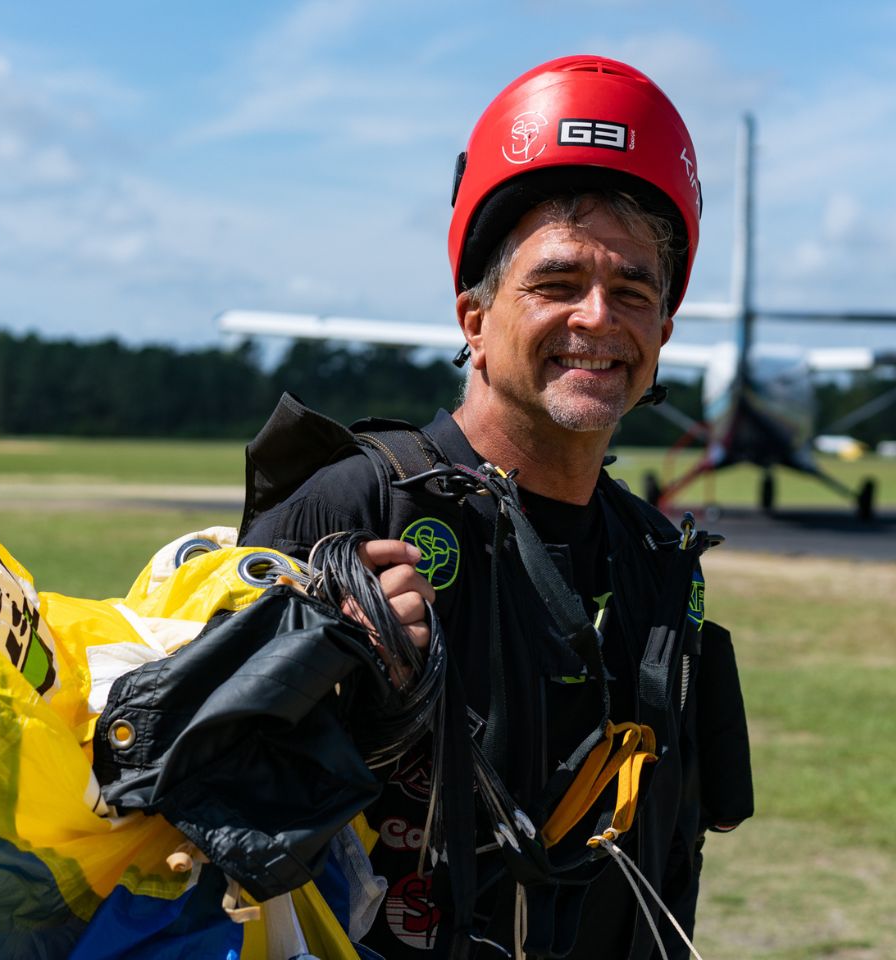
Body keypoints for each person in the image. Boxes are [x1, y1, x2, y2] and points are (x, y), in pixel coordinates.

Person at [240, 55, 753, 960]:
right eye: (556, 285)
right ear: (473, 319)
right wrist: (328, 682)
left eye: (633, 291)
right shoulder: (353, 509)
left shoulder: (658, 559)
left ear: (663, 335)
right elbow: (196, 810)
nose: (598, 318)